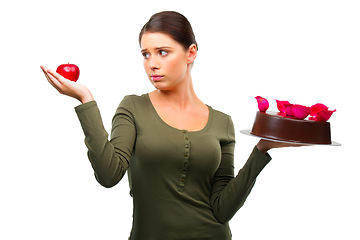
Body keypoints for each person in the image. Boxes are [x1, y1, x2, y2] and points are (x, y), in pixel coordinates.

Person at [41, 11, 301, 240]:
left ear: (191, 53)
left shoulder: (223, 123)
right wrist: (86, 100)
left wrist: (262, 150)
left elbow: (222, 209)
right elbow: (109, 175)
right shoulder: (132, 107)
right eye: (146, 54)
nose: (152, 64)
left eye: (162, 52)